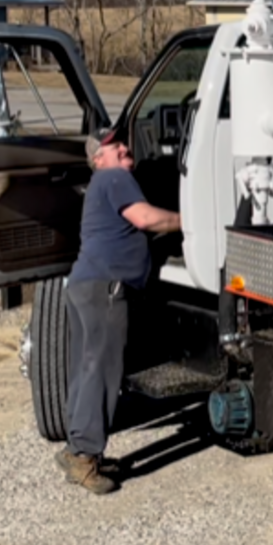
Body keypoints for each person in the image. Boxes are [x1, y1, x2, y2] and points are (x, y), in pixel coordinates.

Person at [59, 127, 181, 494]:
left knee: (87, 369)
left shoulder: (101, 184)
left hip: (85, 284)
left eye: (122, 142)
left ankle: (78, 449)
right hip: (105, 287)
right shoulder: (114, 178)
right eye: (114, 146)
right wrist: (189, 220)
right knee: (102, 371)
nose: (124, 148)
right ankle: (84, 458)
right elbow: (145, 218)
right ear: (99, 159)